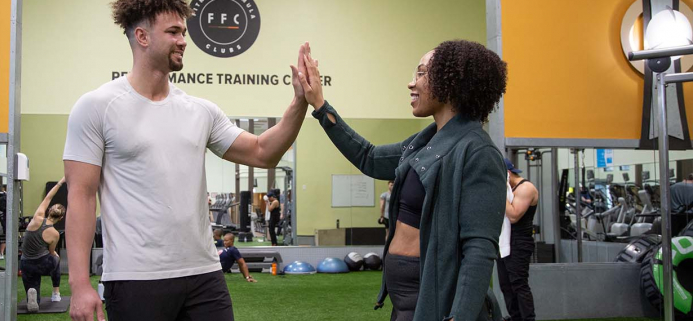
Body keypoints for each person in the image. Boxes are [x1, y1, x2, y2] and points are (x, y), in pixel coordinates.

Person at [63, 1, 311, 320]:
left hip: (204, 275)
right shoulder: (96, 107)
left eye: (184, 32)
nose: (183, 40)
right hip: (135, 278)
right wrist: (79, 284)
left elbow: (264, 152)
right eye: (173, 31)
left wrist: (299, 102)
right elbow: (81, 198)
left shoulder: (201, 111)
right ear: (142, 36)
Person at [297, 40, 508, 320]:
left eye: (421, 74)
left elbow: (479, 250)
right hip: (404, 299)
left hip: (434, 301)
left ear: (451, 83)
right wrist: (320, 105)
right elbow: (369, 157)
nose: (412, 83)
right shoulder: (426, 140)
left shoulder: (478, 151)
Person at [497, 159, 538, 321]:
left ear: (507, 174)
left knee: (518, 284)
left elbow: (513, 215)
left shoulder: (526, 188)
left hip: (520, 242)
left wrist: (498, 191)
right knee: (506, 285)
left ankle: (528, 318)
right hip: (503, 241)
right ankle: (515, 318)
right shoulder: (509, 189)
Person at [21, 177, 67, 313]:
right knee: (56, 259)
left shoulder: (37, 218)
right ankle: (55, 293)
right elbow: (51, 252)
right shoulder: (54, 234)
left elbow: (48, 197)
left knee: (33, 286)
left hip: (25, 264)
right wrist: (55, 255)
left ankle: (34, 297)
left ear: (48, 211)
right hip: (42, 264)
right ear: (61, 218)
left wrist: (60, 182)